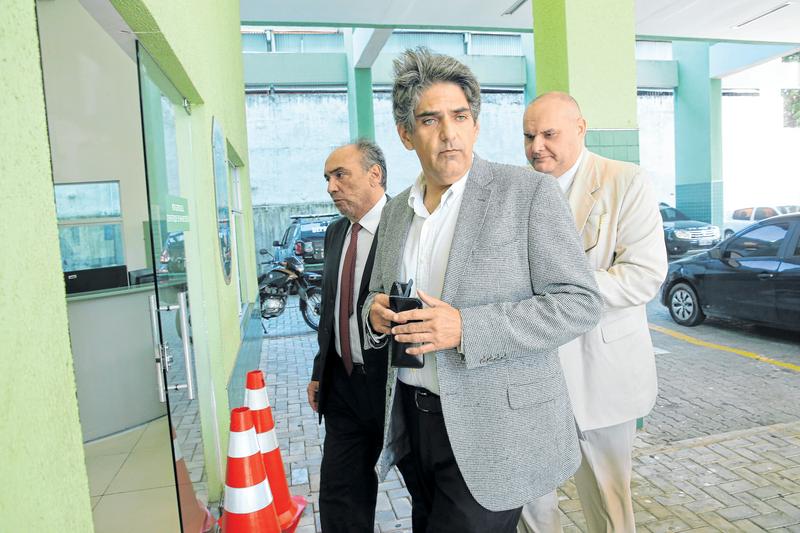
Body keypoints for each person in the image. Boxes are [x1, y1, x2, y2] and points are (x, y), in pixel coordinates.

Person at [363, 48, 604, 533]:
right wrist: (374, 314)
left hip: (495, 428)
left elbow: (580, 303)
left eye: (460, 117)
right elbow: (375, 293)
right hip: (414, 421)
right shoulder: (395, 212)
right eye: (430, 120)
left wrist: (466, 328)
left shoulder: (528, 194)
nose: (449, 133)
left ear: (475, 125)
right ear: (406, 135)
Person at [518, 92, 668, 533]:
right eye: (528, 136)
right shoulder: (518, 191)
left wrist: (564, 291)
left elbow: (643, 275)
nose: (537, 147)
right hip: (530, 379)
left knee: (607, 506)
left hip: (601, 373)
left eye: (549, 134)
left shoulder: (625, 181)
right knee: (529, 505)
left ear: (580, 129)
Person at [307, 140, 393, 533]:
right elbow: (330, 309)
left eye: (340, 175)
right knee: (340, 496)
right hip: (343, 386)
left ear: (375, 174)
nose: (331, 187)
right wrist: (319, 371)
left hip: (395, 388)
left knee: (425, 493)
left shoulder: (406, 227)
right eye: (327, 178)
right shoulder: (335, 232)